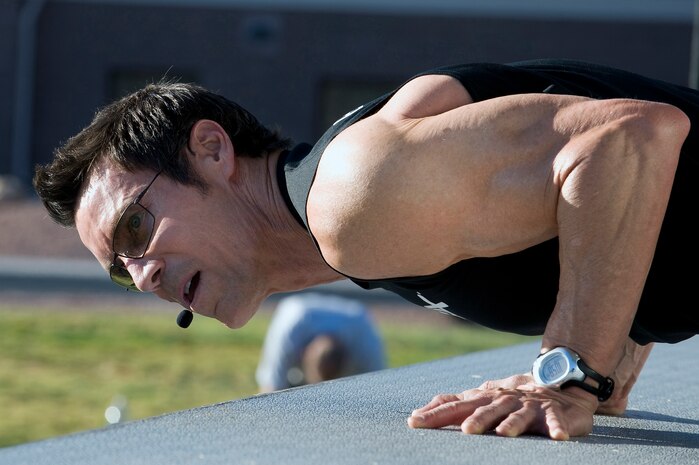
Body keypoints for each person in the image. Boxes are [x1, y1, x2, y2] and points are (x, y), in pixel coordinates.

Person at [33, 58, 697, 441]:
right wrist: (607, 356)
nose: (141, 273)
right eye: (120, 272)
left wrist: (570, 371)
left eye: (134, 228)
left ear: (211, 151)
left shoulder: (352, 198)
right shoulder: (357, 205)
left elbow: (630, 138)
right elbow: (627, 201)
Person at [255, 292, 386, 392]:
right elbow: (270, 388)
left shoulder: (363, 337)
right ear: (303, 354)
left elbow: (378, 390)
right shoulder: (290, 329)